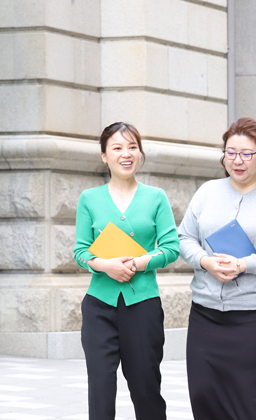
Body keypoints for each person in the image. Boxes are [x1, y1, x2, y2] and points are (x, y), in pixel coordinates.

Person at [178, 117, 256, 420]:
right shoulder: (208, 191)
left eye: (246, 154)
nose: (237, 160)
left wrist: (244, 264)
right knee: (205, 395)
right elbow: (184, 238)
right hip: (206, 315)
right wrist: (205, 261)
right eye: (230, 152)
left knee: (253, 400)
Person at [73, 122, 180, 420]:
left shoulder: (156, 197)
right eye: (117, 148)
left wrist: (139, 263)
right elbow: (81, 252)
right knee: (101, 390)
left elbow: (171, 247)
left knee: (146, 389)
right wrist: (105, 266)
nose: (126, 154)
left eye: (132, 147)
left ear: (140, 153)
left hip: (142, 304)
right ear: (105, 156)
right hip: (99, 306)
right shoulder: (89, 199)